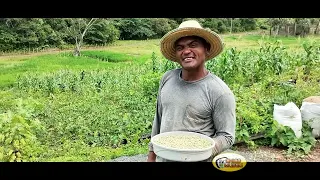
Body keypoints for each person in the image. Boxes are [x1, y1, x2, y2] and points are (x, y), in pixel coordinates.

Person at [147, 19, 236, 162]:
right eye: (180, 47)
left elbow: (227, 136)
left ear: (206, 49)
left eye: (193, 45)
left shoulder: (219, 92)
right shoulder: (167, 78)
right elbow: (158, 121)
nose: (186, 51)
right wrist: (151, 157)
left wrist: (200, 151)